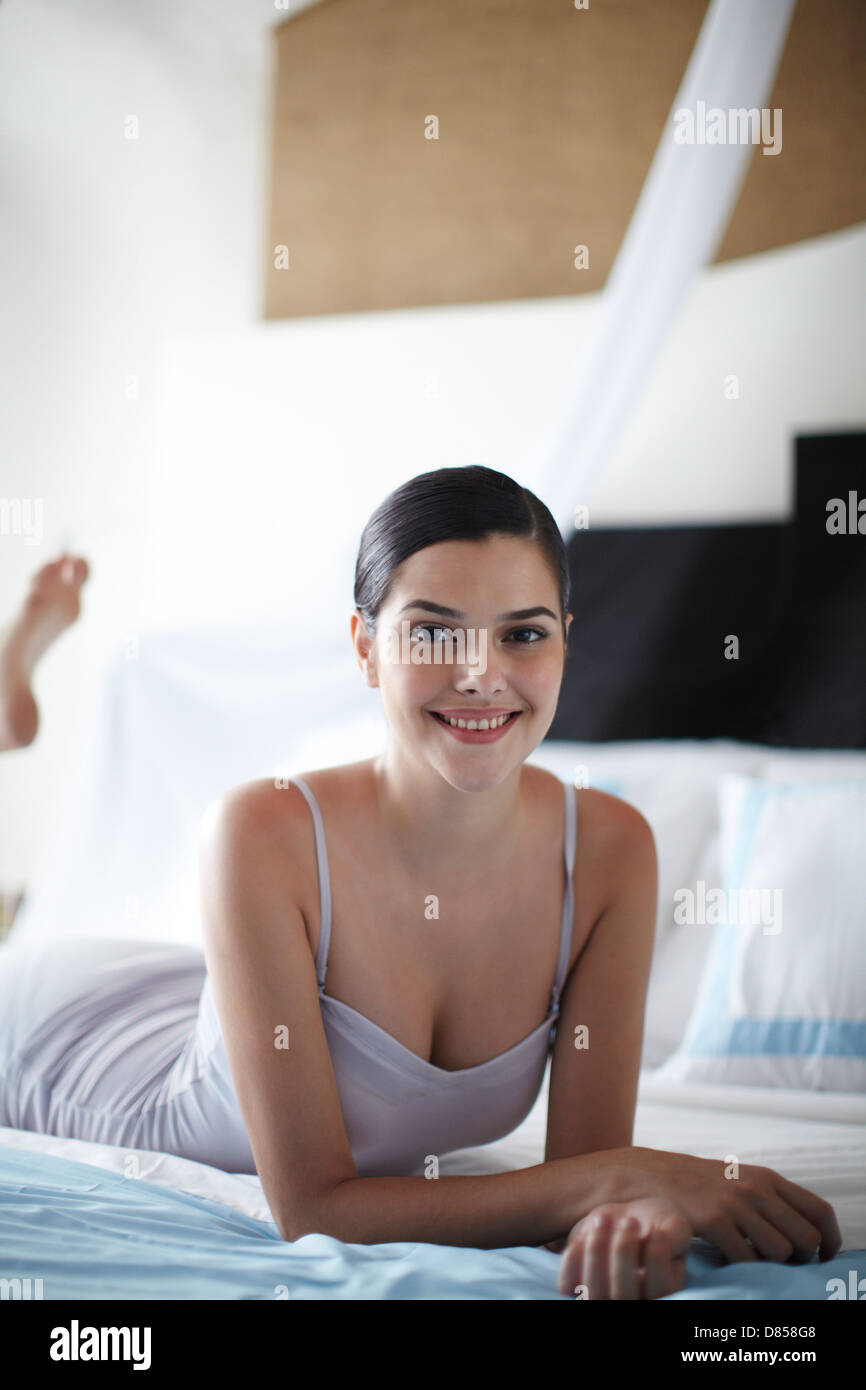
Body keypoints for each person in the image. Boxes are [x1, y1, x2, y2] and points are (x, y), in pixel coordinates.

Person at [0, 467, 841, 1301]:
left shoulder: (611, 850)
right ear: (366, 648)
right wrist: (630, 1176)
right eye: (434, 632)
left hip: (184, 1000)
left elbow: (582, 1178)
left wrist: (631, 1213)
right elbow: (314, 1209)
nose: (480, 673)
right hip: (55, 1041)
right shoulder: (260, 829)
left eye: (524, 634)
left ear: (565, 641)